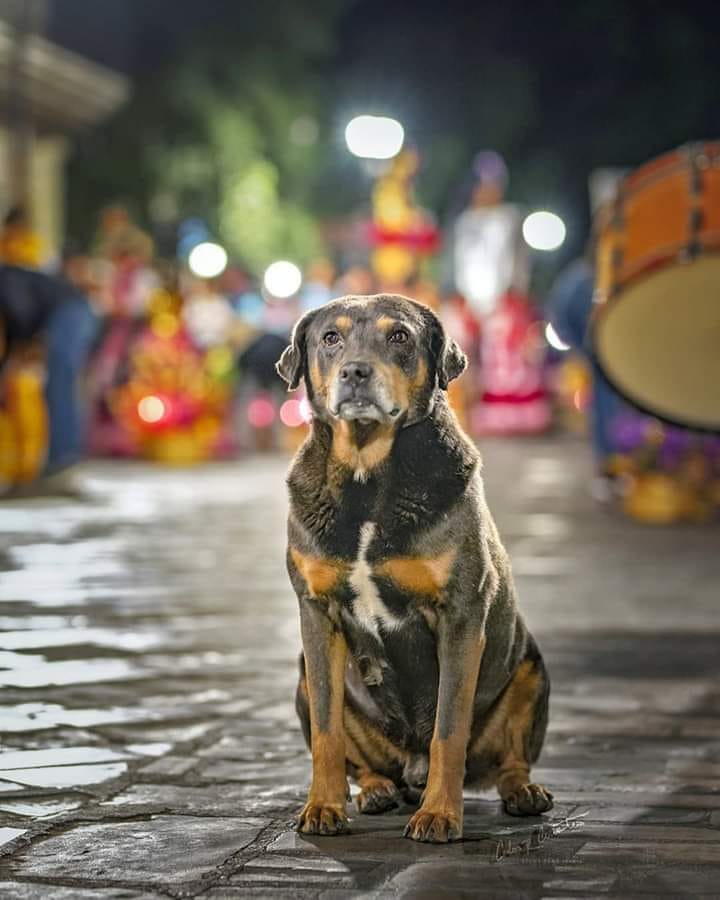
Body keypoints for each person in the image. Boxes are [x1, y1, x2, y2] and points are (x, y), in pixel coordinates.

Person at [0, 262, 97, 491]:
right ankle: (61, 459)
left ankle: (63, 462)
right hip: (74, 313)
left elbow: (19, 313)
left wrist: (15, 350)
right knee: (57, 386)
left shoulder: (5, 278)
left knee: (59, 386)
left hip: (71, 312)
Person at [547, 255, 623, 498]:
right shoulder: (585, 281)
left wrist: (578, 352)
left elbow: (561, 317)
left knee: (605, 402)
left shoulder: (578, 278)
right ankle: (616, 467)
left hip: (600, 356)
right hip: (607, 356)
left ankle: (612, 468)